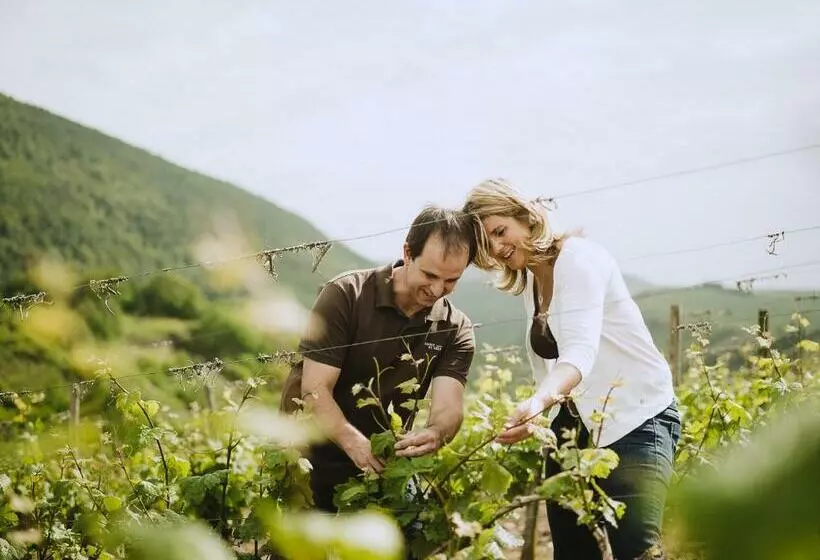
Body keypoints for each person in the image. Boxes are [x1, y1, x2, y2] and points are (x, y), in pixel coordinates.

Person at [462, 179, 680, 560]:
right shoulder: (530, 281)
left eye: (499, 231)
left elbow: (580, 350)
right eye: (487, 243)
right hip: (571, 433)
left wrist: (537, 402)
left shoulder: (579, 260)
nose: (497, 247)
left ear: (525, 216)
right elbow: (548, 365)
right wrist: (539, 417)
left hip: (636, 420)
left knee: (636, 552)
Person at [280, 206, 476, 512]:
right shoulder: (346, 294)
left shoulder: (455, 329)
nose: (438, 289)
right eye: (429, 275)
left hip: (380, 467)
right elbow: (314, 389)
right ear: (408, 253)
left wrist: (437, 433)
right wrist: (354, 443)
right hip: (307, 456)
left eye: (451, 280)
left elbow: (449, 407)